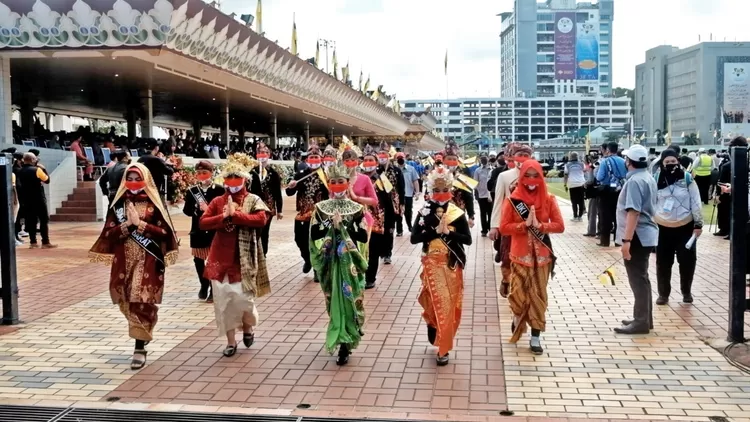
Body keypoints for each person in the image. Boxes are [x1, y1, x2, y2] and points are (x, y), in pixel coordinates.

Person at [89, 163, 179, 369]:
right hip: (123, 260)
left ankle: (139, 348)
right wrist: (127, 225)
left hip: (148, 259)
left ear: (146, 180)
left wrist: (141, 224)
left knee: (141, 299)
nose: (133, 182)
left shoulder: (154, 205)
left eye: (137, 178)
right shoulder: (118, 205)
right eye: (129, 178)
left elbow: (165, 233)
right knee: (126, 299)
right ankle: (144, 329)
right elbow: (108, 234)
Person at [200, 162, 271, 357]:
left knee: (243, 299)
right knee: (223, 301)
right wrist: (222, 217)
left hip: (244, 258)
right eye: (228, 179)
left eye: (236, 179)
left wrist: (236, 215)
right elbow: (203, 222)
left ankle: (247, 327)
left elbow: (262, 219)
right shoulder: (217, 202)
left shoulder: (253, 199)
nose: (232, 183)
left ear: (245, 180)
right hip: (220, 257)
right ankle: (231, 342)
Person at [499, 160, 564, 354]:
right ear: (521, 178)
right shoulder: (513, 200)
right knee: (517, 294)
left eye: (536, 176)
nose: (532, 181)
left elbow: (560, 225)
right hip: (519, 256)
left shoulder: (549, 199)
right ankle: (518, 316)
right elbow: (504, 227)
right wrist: (523, 226)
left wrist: (540, 226)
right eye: (528, 176)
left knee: (538, 296)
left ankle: (536, 335)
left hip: (542, 258)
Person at [411, 167, 472, 365]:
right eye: (436, 190)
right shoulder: (424, 212)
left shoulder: (457, 213)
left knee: (449, 306)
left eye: (444, 189)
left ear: (450, 188)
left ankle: (443, 348)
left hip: (452, 265)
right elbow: (414, 239)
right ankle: (434, 326)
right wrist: (435, 232)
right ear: (430, 190)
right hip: (431, 265)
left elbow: (467, 240)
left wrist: (448, 233)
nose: (440, 194)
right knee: (436, 302)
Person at [309, 164, 369, 366]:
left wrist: (344, 227)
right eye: (332, 182)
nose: (336, 185)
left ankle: (346, 340)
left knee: (350, 297)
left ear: (348, 182)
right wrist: (329, 227)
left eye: (340, 182)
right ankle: (340, 336)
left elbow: (362, 235)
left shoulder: (357, 208)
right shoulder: (320, 208)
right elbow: (315, 234)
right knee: (334, 299)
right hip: (331, 263)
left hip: (350, 263)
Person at [614, 145, 659, 335]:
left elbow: (633, 211)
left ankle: (641, 321)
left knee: (637, 279)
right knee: (642, 278)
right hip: (646, 235)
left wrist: (626, 241)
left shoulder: (634, 182)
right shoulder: (647, 177)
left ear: (629, 162)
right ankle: (643, 318)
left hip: (637, 236)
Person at [653, 150, 703, 305]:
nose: (670, 165)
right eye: (666, 162)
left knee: (687, 262)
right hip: (662, 228)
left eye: (673, 162)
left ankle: (686, 291)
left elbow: (696, 201)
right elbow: (651, 202)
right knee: (663, 263)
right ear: (662, 163)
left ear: (678, 161)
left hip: (685, 227)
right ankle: (663, 294)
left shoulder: (687, 179)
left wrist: (698, 224)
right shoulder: (656, 179)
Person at [489, 143, 534, 297]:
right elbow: (498, 201)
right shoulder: (504, 176)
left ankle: (524, 287)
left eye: (526, 156)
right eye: (519, 156)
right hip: (510, 225)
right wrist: (494, 226)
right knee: (508, 255)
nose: (522, 160)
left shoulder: (536, 174)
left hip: (531, 226)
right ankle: (507, 280)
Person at [183, 160, 225, 301]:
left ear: (211, 173)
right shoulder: (192, 191)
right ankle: (203, 284)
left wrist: (210, 210)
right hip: (198, 230)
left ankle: (214, 289)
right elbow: (187, 211)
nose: (201, 175)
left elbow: (223, 209)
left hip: (214, 230)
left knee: (214, 260)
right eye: (199, 173)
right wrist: (195, 208)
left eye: (204, 173)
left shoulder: (219, 190)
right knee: (198, 260)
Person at [286, 141, 329, 276]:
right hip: (303, 213)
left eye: (316, 157)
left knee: (318, 241)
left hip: (320, 215)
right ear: (307, 159)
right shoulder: (301, 174)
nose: (314, 160)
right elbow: (289, 193)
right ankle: (307, 259)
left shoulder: (326, 175)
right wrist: (291, 186)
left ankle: (317, 269)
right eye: (311, 157)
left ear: (321, 159)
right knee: (299, 239)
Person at [363, 145, 397, 289]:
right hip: (359, 221)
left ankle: (370, 278)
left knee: (373, 252)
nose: (368, 163)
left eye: (371, 160)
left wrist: (389, 224)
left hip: (377, 222)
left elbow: (389, 202)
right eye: (366, 160)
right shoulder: (358, 178)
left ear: (376, 163)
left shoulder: (383, 180)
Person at [341, 144, 378, 260]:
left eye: (353, 160)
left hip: (361, 218)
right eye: (347, 160)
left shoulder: (364, 179)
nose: (350, 163)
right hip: (342, 218)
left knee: (360, 252)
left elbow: (374, 200)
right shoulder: (337, 179)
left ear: (357, 161)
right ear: (342, 162)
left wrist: (357, 198)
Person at [17, 153, 56, 249]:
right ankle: (45, 242)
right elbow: (47, 180)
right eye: (35, 159)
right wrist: (44, 169)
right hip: (38, 198)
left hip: (26, 199)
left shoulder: (19, 171)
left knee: (30, 220)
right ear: (32, 160)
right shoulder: (37, 170)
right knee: (43, 220)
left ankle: (33, 242)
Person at [252, 142, 283, 256]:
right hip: (253, 207)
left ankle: (263, 254)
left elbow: (277, 193)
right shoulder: (251, 172)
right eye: (260, 153)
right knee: (254, 232)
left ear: (269, 155)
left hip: (268, 208)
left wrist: (279, 210)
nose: (262, 155)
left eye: (265, 153)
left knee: (264, 232)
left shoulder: (273, 173)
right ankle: (255, 254)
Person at [376, 142, 405, 265]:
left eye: (384, 154)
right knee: (378, 229)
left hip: (392, 205)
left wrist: (402, 204)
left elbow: (401, 188)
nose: (382, 156)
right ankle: (380, 251)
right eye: (380, 154)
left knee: (389, 229)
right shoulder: (375, 170)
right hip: (377, 205)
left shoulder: (396, 170)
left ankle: (388, 253)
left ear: (389, 155)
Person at [595, 141, 627, 247]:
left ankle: (605, 240)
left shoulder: (605, 162)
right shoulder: (623, 161)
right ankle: (618, 240)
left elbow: (599, 177)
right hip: (620, 191)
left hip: (607, 191)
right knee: (618, 216)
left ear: (608, 150)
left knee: (605, 216)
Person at [715, 137, 748, 238]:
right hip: (732, 191)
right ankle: (726, 230)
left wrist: (719, 193)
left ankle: (729, 230)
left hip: (732, 192)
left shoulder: (728, 166)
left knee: (730, 212)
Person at [442, 140, 475, 229]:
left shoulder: (464, 171)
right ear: (444, 160)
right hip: (441, 212)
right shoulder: (438, 171)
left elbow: (468, 194)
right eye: (449, 159)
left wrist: (471, 215)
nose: (452, 161)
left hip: (459, 211)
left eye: (454, 159)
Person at [396, 152, 420, 237]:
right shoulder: (394, 169)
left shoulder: (411, 169)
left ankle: (410, 226)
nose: (400, 159)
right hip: (397, 196)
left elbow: (415, 181)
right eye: (398, 158)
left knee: (408, 212)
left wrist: (417, 192)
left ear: (405, 158)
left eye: (401, 157)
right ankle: (399, 230)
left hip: (408, 194)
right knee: (398, 213)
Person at [473, 152, 493, 237]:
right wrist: (478, 191)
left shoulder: (492, 169)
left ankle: (490, 227)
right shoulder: (478, 171)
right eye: (482, 158)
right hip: (482, 195)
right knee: (483, 213)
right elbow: (475, 183)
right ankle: (484, 230)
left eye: (485, 157)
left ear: (488, 158)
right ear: (480, 160)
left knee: (491, 213)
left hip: (491, 196)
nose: (484, 159)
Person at [564, 152, 587, 222]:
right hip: (581, 184)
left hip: (572, 185)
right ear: (577, 157)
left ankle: (575, 216)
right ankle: (580, 217)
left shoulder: (567, 165)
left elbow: (565, 175)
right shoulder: (582, 164)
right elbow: (585, 171)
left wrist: (565, 184)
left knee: (574, 201)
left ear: (571, 157)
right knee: (581, 201)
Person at [584, 152, 601, 237]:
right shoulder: (600, 163)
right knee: (601, 212)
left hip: (594, 191)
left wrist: (585, 184)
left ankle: (592, 230)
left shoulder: (593, 166)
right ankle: (600, 230)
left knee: (592, 212)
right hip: (601, 190)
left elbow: (590, 179)